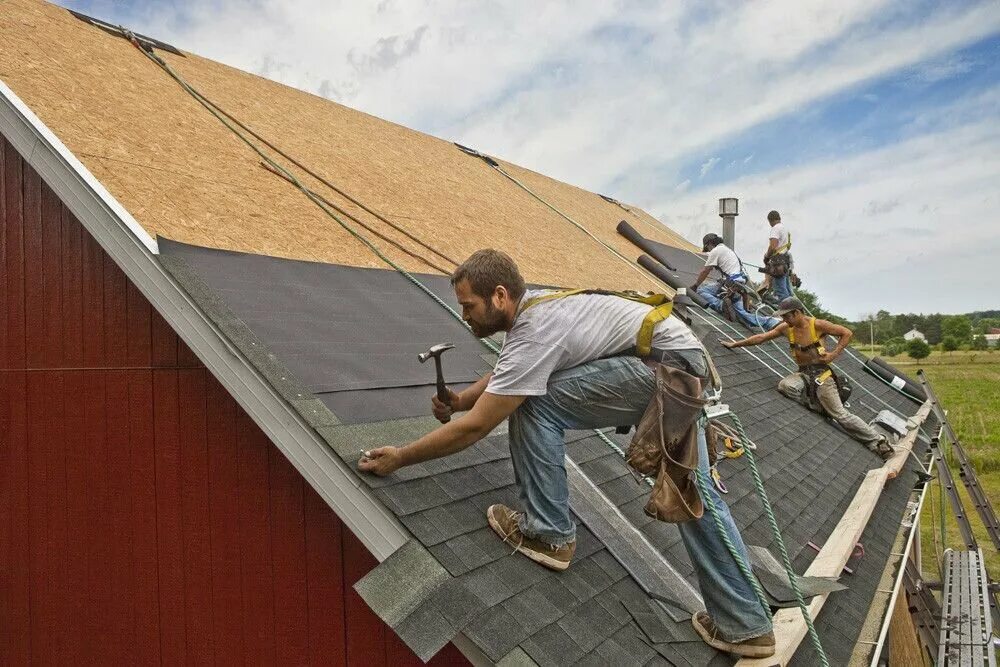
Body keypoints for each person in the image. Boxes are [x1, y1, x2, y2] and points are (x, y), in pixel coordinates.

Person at [359, 249, 775, 658]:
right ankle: (746, 625)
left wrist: (401, 456)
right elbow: (511, 367)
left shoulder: (537, 327)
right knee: (692, 490)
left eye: (468, 306)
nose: (464, 315)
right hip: (680, 366)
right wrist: (462, 399)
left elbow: (479, 426)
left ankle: (549, 533)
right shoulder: (539, 310)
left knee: (532, 402)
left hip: (664, 371)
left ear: (500, 295)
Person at [722, 297, 893, 458]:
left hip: (822, 376)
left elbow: (846, 333)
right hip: (803, 373)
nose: (785, 320)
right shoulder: (786, 328)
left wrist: (833, 354)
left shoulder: (817, 325)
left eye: (787, 316)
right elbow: (761, 338)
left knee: (840, 415)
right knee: (785, 386)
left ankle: (878, 442)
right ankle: (819, 406)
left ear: (796, 313)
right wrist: (735, 344)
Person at [691, 233, 779, 331]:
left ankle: (721, 305)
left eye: (708, 248)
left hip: (732, 284)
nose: (708, 251)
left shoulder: (715, 251)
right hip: (737, 284)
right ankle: (773, 322)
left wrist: (695, 285)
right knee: (743, 316)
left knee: (701, 291)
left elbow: (705, 271)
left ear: (710, 243)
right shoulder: (727, 250)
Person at [760, 210, 793, 301]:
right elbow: (788, 247)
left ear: (770, 220)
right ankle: (795, 310)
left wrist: (766, 256)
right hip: (785, 262)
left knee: (781, 291)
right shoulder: (785, 230)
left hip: (778, 264)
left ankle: (788, 311)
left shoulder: (775, 228)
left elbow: (773, 247)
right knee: (787, 289)